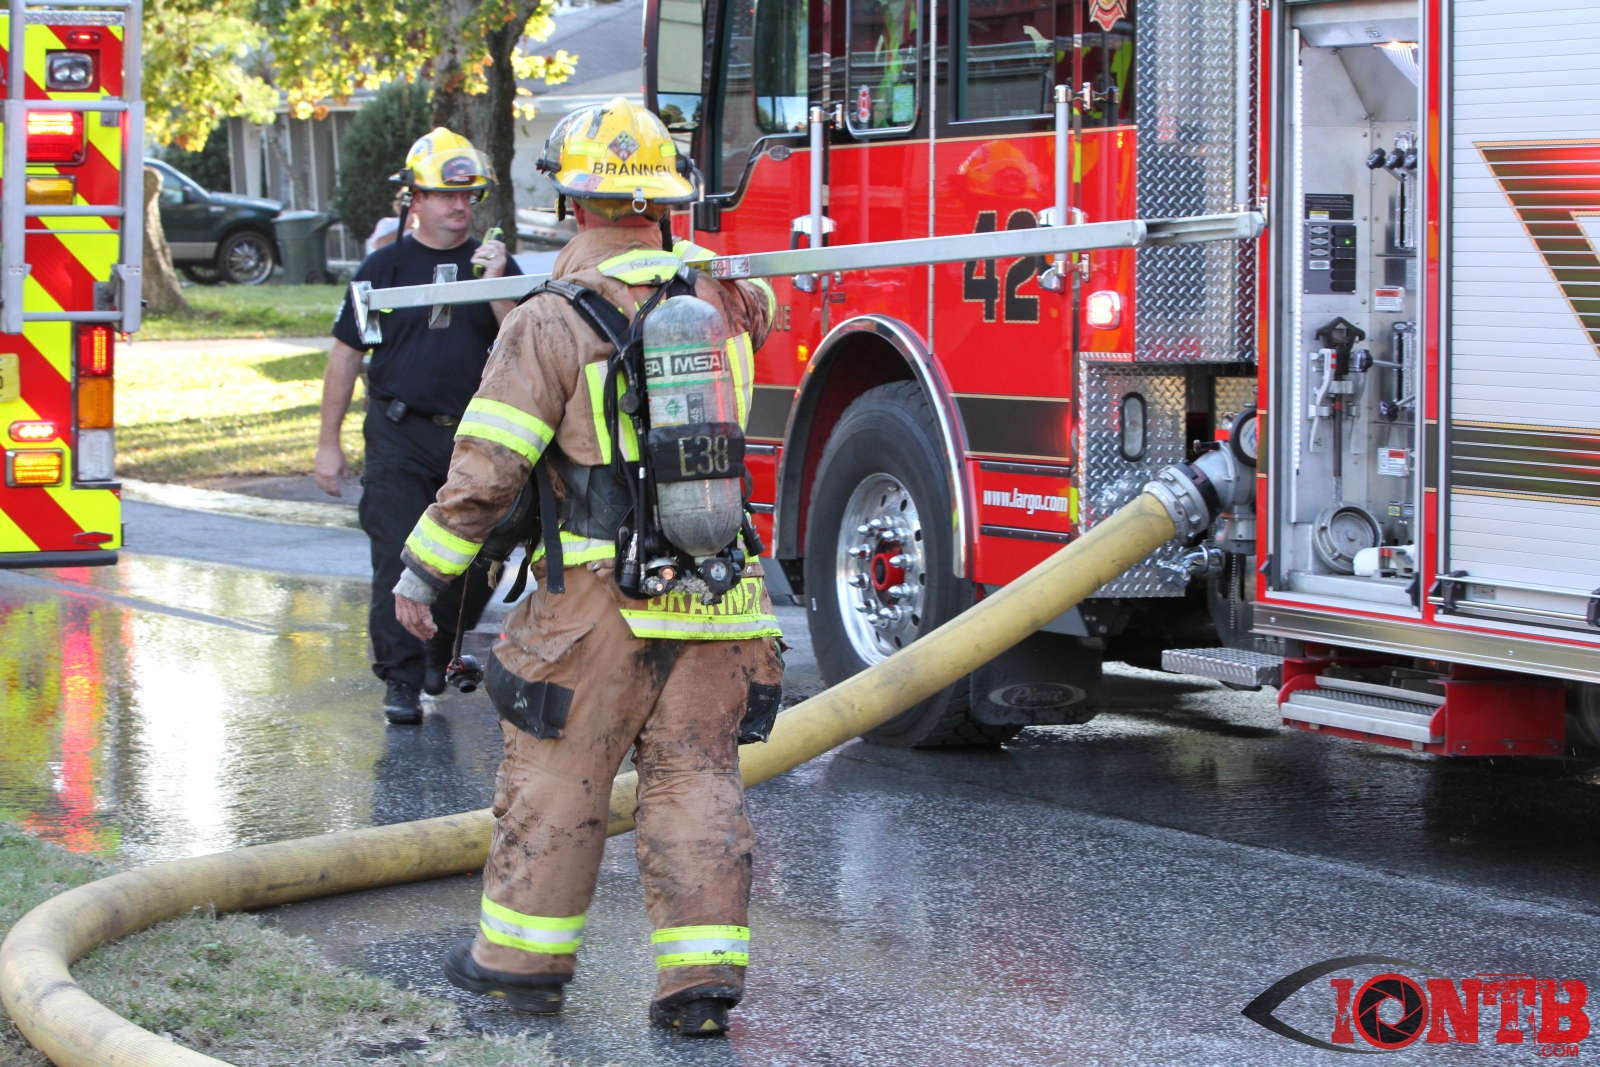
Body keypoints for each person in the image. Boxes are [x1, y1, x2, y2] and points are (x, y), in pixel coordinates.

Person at [390, 98, 782, 1036]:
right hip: (720, 595)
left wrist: (422, 575)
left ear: (573, 203)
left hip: (601, 604)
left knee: (557, 779)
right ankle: (699, 986)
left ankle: (517, 967)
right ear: (665, 202)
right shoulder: (721, 303)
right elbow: (765, 305)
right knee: (696, 781)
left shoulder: (548, 320)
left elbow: (488, 469)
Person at [317, 128, 523, 725]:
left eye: (469, 197)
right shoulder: (383, 267)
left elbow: (525, 345)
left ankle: (439, 651)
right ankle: (402, 680)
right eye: (446, 195)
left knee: (480, 556)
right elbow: (345, 355)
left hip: (477, 439)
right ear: (416, 198)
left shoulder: (495, 266)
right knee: (397, 558)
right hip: (399, 433)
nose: (460, 206)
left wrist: (496, 285)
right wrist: (327, 444)